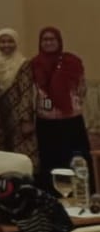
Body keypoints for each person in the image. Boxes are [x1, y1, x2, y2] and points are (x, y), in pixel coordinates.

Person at [32, 27, 90, 191]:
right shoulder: (35, 64)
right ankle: (52, 195)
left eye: (52, 39)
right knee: (50, 160)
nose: (48, 43)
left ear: (59, 41)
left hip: (71, 120)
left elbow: (82, 87)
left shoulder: (72, 61)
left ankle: (77, 194)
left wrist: (72, 104)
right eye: (45, 40)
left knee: (74, 159)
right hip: (46, 122)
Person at [0, 28, 38, 167]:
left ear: (16, 43)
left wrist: (26, 119)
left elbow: (26, 91)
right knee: (3, 155)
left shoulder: (23, 63)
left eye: (10, 41)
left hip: (18, 116)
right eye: (2, 41)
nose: (6, 45)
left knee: (22, 154)